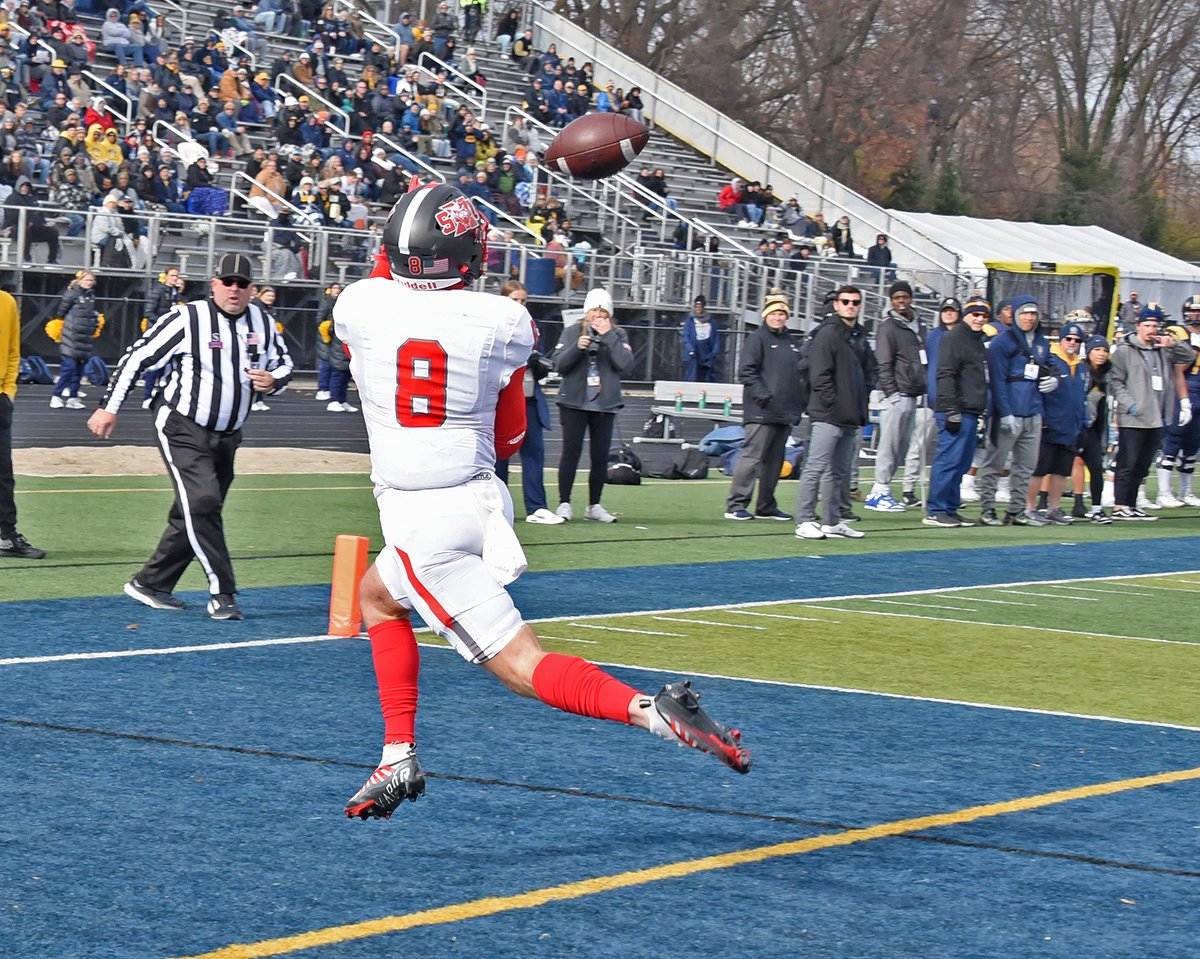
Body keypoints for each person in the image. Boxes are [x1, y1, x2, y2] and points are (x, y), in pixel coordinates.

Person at [332, 184, 749, 819]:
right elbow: (510, 434)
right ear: (472, 256)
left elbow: (390, 274)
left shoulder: (360, 306)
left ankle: (653, 713)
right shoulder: (504, 321)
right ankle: (397, 755)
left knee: (523, 665)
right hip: (476, 502)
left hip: (423, 519)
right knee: (375, 597)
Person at [86, 254, 294, 621]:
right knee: (203, 502)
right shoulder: (188, 317)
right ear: (214, 284)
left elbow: (284, 363)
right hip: (182, 424)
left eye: (242, 283)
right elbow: (137, 357)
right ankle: (223, 592)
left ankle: (150, 583)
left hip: (229, 433)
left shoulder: (262, 320)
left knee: (195, 511)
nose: (234, 289)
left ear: (252, 289)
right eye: (227, 281)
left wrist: (273, 381)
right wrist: (109, 407)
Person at [795, 285, 871, 540]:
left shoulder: (858, 335)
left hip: (849, 414)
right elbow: (820, 375)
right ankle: (804, 521)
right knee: (815, 467)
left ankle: (832, 521)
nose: (851, 305)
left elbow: (868, 371)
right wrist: (834, 404)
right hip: (828, 413)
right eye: (846, 301)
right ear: (836, 304)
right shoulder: (828, 334)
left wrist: (860, 400)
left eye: (855, 302)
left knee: (839, 471)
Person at [723, 290, 805, 523]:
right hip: (761, 411)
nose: (778, 317)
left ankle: (766, 505)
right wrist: (763, 395)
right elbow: (747, 371)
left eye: (782, 313)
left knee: (775, 462)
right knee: (752, 458)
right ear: (766, 315)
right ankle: (736, 504)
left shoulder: (792, 343)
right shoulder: (757, 338)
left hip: (785, 411)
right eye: (774, 313)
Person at [551, 287, 632, 523]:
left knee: (599, 455)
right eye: (594, 311)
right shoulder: (571, 331)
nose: (598, 316)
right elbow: (559, 365)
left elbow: (625, 363)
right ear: (587, 312)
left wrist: (608, 337)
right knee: (570, 452)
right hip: (574, 402)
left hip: (604, 404)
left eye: (603, 312)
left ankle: (594, 504)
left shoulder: (619, 334)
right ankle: (564, 502)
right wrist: (578, 347)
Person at [976, 297, 1056, 526]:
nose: (1029, 318)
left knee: (1026, 466)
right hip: (1009, 411)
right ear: (1016, 315)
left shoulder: (1041, 342)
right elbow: (998, 381)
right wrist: (1005, 412)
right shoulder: (1002, 343)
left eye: (1033, 313)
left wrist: (1055, 379)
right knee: (995, 463)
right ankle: (987, 509)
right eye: (1025, 313)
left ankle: (1017, 510)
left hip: (1033, 411)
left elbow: (1050, 365)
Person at [492, 280, 562, 525]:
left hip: (529, 398)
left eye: (523, 300)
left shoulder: (532, 326)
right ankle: (496, 506)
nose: (520, 305)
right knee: (499, 455)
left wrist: (538, 363)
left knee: (534, 452)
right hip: (502, 398)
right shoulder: (493, 326)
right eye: (515, 300)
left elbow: (537, 365)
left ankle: (537, 506)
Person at [1107, 306, 1182, 520]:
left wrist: (1172, 343)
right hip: (1134, 417)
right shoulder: (1125, 350)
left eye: (1155, 326)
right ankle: (1120, 505)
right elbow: (1115, 381)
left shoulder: (1162, 348)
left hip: (1157, 415)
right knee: (1127, 463)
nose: (1151, 329)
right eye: (1147, 325)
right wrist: (1131, 405)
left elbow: (1187, 356)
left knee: (1142, 465)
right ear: (1138, 326)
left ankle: (1131, 504)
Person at [924, 297, 990, 527]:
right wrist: (951, 409)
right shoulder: (954, 338)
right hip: (955, 409)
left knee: (961, 462)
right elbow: (945, 374)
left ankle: (950, 507)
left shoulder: (975, 340)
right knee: (949, 459)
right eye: (975, 314)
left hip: (970, 409)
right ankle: (936, 509)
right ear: (966, 315)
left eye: (983, 316)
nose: (979, 319)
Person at [866, 280, 927, 512]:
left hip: (913, 392)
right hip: (896, 393)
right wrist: (891, 393)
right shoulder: (888, 327)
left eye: (905, 297)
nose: (901, 301)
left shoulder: (919, 324)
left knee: (901, 447)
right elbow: (884, 362)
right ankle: (879, 490)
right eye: (896, 298)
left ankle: (883, 489)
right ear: (891, 301)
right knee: (888, 445)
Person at [1025, 320, 1087, 525]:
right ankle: (1030, 507)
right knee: (1039, 468)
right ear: (1060, 339)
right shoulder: (1050, 360)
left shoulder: (1081, 366)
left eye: (1077, 340)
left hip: (1070, 426)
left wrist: (1081, 423)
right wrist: (1041, 417)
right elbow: (1037, 391)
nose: (1072, 342)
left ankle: (1053, 508)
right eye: (1068, 338)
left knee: (1061, 470)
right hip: (1049, 424)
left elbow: (1080, 397)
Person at [0, 286, 45, 559]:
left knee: (3, 475)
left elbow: (13, 352)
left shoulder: (6, 302)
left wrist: (8, 392)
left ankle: (6, 536)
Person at [48, 270, 100, 409]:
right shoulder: (72, 294)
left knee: (79, 371)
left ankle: (73, 397)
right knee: (68, 368)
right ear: (80, 280)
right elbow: (60, 313)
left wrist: (94, 324)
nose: (89, 283)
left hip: (85, 338)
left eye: (91, 280)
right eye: (87, 280)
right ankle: (56, 395)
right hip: (71, 338)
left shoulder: (91, 297)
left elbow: (91, 315)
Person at [139, 266, 185, 409]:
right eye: (172, 275)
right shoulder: (159, 291)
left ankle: (160, 393)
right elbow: (148, 311)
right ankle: (147, 395)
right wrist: (162, 323)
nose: (175, 278)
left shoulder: (175, 293)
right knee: (154, 364)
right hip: (158, 331)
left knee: (169, 365)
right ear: (166, 276)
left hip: (170, 332)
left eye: (176, 275)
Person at [681, 295, 720, 382]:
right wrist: (690, 349)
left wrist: (715, 351)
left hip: (707, 350)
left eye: (700, 307)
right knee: (693, 374)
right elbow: (686, 336)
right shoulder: (690, 321)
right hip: (695, 350)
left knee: (707, 374)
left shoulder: (711, 321)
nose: (698, 309)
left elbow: (715, 336)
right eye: (696, 307)